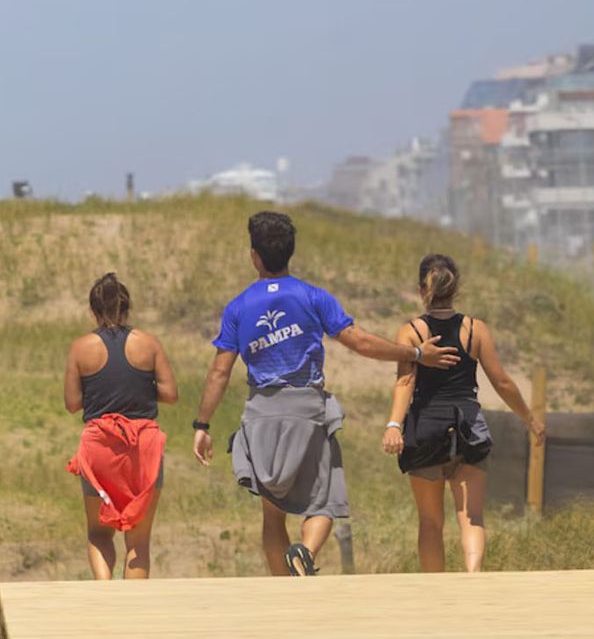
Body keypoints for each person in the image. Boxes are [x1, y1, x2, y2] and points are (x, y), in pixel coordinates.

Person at [192, 212, 459, 576]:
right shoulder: (313, 297)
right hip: (307, 409)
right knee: (323, 502)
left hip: (261, 413)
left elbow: (220, 370)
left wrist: (202, 423)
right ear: (291, 253)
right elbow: (361, 343)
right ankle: (306, 549)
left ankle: (286, 590)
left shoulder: (238, 307)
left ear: (254, 256)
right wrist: (415, 354)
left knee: (272, 513)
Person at [381, 254, 546, 573]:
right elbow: (502, 382)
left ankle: (436, 593)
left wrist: (393, 425)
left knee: (430, 523)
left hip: (425, 429)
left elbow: (405, 380)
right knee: (471, 518)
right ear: (456, 287)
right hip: (468, 428)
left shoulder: (411, 332)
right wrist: (530, 419)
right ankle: (473, 581)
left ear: (421, 289)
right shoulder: (475, 329)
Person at [64, 274, 177, 580]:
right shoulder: (149, 344)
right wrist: (137, 390)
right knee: (138, 541)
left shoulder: (80, 348)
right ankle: (131, 612)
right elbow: (170, 394)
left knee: (99, 533)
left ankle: (105, 593)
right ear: (127, 307)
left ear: (92, 311)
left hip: (99, 444)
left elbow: (72, 403)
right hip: (143, 445)